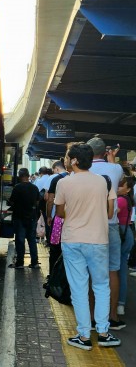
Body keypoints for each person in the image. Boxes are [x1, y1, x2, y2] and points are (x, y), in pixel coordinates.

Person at [55, 142, 120, 350]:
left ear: (74, 160)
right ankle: (103, 332)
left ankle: (83, 336)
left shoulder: (64, 184)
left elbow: (59, 213)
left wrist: (74, 213)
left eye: (67, 157)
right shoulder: (102, 182)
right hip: (98, 240)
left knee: (79, 288)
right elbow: (110, 213)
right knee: (101, 287)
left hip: (72, 240)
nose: (66, 160)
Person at [87, 137, 126, 330]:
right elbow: (116, 172)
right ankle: (112, 318)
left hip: (90, 226)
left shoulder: (83, 170)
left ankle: (93, 319)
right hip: (111, 225)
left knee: (91, 272)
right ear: (104, 152)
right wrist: (112, 158)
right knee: (112, 271)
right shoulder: (116, 169)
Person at [8, 167, 40, 269]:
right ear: (28, 175)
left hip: (19, 217)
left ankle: (20, 263)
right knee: (32, 240)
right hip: (32, 217)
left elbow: (12, 201)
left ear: (20, 176)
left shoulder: (17, 187)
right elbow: (37, 202)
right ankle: (34, 262)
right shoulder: (34, 188)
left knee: (20, 240)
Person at [45, 160, 68, 274]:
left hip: (59, 221)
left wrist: (48, 216)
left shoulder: (57, 180)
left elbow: (49, 200)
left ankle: (52, 277)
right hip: (77, 223)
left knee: (55, 249)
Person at [117, 176, 135, 315]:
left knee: (115, 270)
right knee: (122, 268)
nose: (118, 188)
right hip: (127, 232)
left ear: (128, 189)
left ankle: (118, 302)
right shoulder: (128, 200)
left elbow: (110, 214)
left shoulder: (120, 200)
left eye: (121, 186)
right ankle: (121, 304)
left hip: (120, 234)